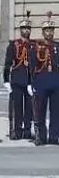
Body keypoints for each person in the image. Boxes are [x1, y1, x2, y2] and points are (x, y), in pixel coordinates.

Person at [29, 11, 59, 145]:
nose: (49, 33)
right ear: (43, 32)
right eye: (47, 30)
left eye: (51, 30)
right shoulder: (36, 47)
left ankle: (54, 136)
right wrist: (31, 83)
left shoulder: (57, 46)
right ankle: (40, 136)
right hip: (41, 80)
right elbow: (32, 66)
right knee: (40, 110)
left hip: (55, 81)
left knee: (56, 111)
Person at [4, 11, 34, 140]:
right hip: (17, 79)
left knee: (29, 108)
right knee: (17, 107)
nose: (26, 31)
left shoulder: (34, 45)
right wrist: (6, 80)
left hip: (30, 80)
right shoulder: (14, 45)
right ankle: (16, 131)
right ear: (21, 30)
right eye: (24, 28)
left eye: (28, 28)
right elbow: (7, 63)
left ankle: (27, 130)